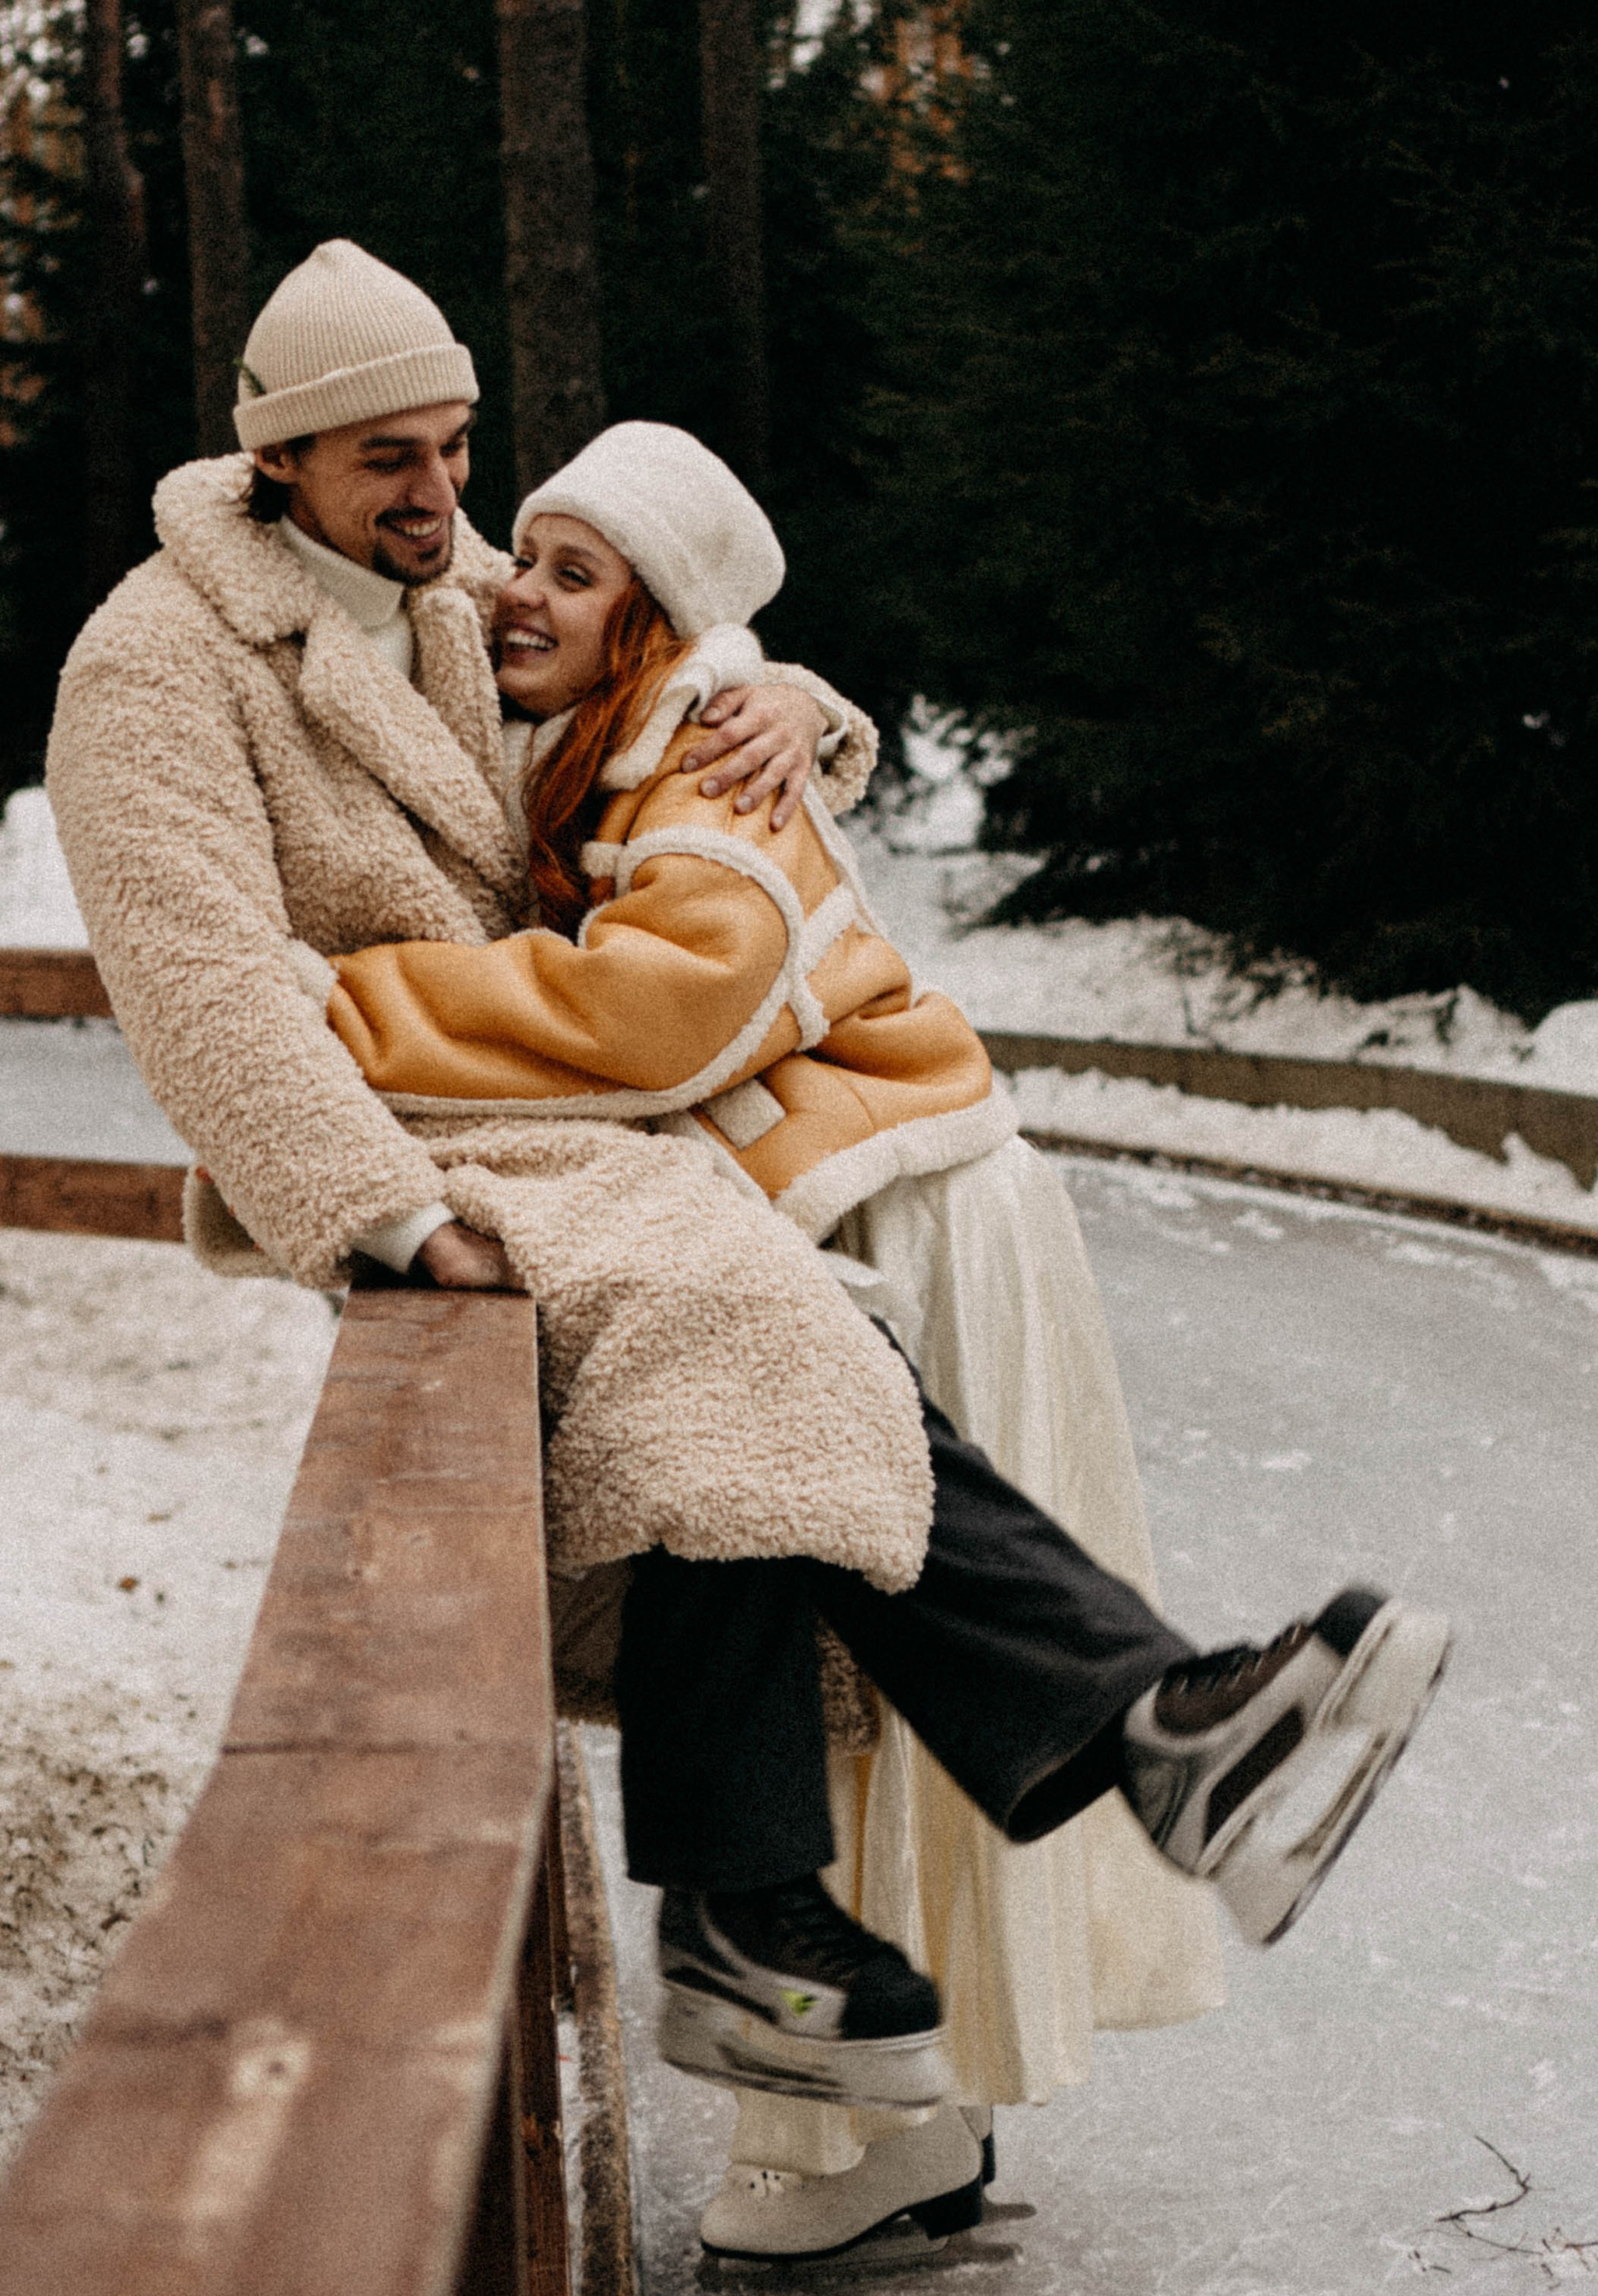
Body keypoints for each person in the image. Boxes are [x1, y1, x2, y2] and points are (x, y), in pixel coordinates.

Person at [47, 244, 1450, 2264]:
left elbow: (648, 702)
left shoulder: (439, 600)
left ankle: (1013, 1805)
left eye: (453, 447)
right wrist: (375, 1214)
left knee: (780, 1357)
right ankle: (1016, 1797)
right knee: (740, 1326)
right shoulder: (157, 663)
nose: (443, 500)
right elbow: (194, 986)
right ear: (273, 455)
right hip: (406, 1139)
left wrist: (800, 700)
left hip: (555, 1119)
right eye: (389, 459)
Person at [312, 416, 1229, 2254]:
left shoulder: (697, 753)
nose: (517, 586)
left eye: (578, 572)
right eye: (528, 551)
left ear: (656, 625)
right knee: (834, 1653)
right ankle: (883, 2121)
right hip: (847, 1210)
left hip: (901, 1213)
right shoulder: (606, 727)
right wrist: (793, 695)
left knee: (840, 1657)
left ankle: (855, 2131)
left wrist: (347, 1006)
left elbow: (662, 1011)